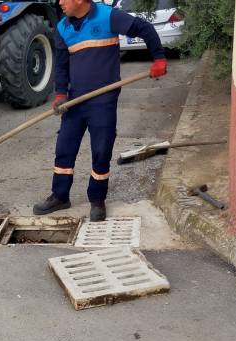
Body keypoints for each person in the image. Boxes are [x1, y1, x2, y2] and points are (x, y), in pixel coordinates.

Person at [33, 0, 167, 221]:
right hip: (75, 101)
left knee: (101, 149)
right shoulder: (63, 28)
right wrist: (60, 94)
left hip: (103, 100)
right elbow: (61, 66)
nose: (60, 3)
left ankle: (97, 199)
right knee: (64, 147)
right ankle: (60, 196)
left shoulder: (108, 17)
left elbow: (144, 28)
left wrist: (159, 58)